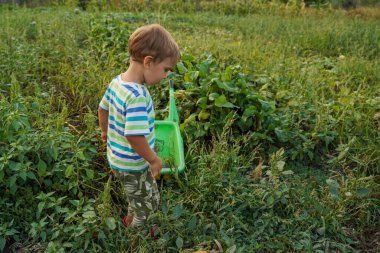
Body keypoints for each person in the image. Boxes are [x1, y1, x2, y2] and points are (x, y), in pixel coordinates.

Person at [98, 24, 180, 228]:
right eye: (165, 70)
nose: (165, 76)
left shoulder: (117, 82)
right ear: (149, 62)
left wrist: (105, 131)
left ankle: (131, 214)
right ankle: (137, 235)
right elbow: (134, 136)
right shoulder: (137, 96)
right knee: (146, 206)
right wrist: (153, 159)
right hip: (133, 164)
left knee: (137, 194)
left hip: (118, 159)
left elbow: (103, 108)